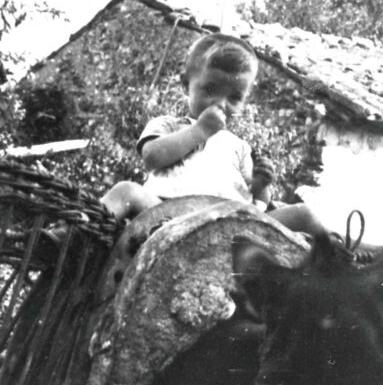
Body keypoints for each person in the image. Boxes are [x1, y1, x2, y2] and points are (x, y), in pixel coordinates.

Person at [100, 33, 326, 237]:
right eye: (210, 89)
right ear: (185, 85)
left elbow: (259, 202)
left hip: (231, 225)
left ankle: (343, 256)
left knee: (303, 214)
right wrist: (199, 131)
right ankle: (75, 231)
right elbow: (152, 157)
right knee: (125, 191)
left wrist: (261, 183)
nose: (221, 103)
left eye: (234, 97)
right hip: (166, 214)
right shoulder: (169, 124)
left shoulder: (239, 147)